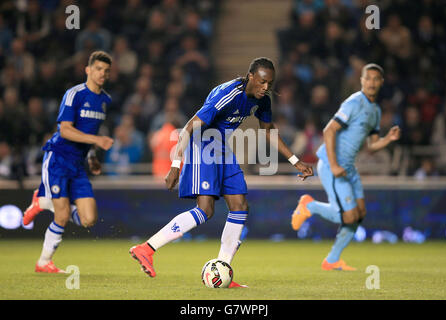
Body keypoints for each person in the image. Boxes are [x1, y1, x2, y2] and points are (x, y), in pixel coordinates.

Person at [129, 57, 313, 286]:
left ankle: (221, 270)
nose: (266, 88)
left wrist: (295, 161)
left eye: (270, 83)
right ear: (251, 77)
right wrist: (176, 164)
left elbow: (268, 130)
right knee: (205, 209)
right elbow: (189, 126)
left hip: (221, 148)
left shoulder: (263, 99)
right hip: (202, 144)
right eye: (262, 82)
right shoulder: (227, 94)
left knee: (240, 206)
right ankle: (146, 248)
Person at [291, 63, 401, 271]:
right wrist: (333, 165)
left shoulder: (375, 110)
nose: (371, 82)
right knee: (349, 215)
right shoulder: (354, 102)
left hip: (349, 167)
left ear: (381, 82)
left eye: (375, 79)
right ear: (361, 81)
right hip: (332, 165)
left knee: (359, 213)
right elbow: (328, 131)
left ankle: (332, 260)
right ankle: (309, 205)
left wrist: (388, 139)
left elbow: (371, 145)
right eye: (367, 78)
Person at [22, 51, 114, 273]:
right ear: (88, 70)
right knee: (62, 215)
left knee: (89, 219)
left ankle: (43, 202)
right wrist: (97, 141)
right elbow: (65, 130)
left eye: (106, 71)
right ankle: (44, 262)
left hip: (78, 164)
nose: (102, 74)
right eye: (99, 69)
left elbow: (91, 131)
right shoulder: (74, 94)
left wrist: (91, 156)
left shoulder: (105, 101)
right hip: (58, 158)